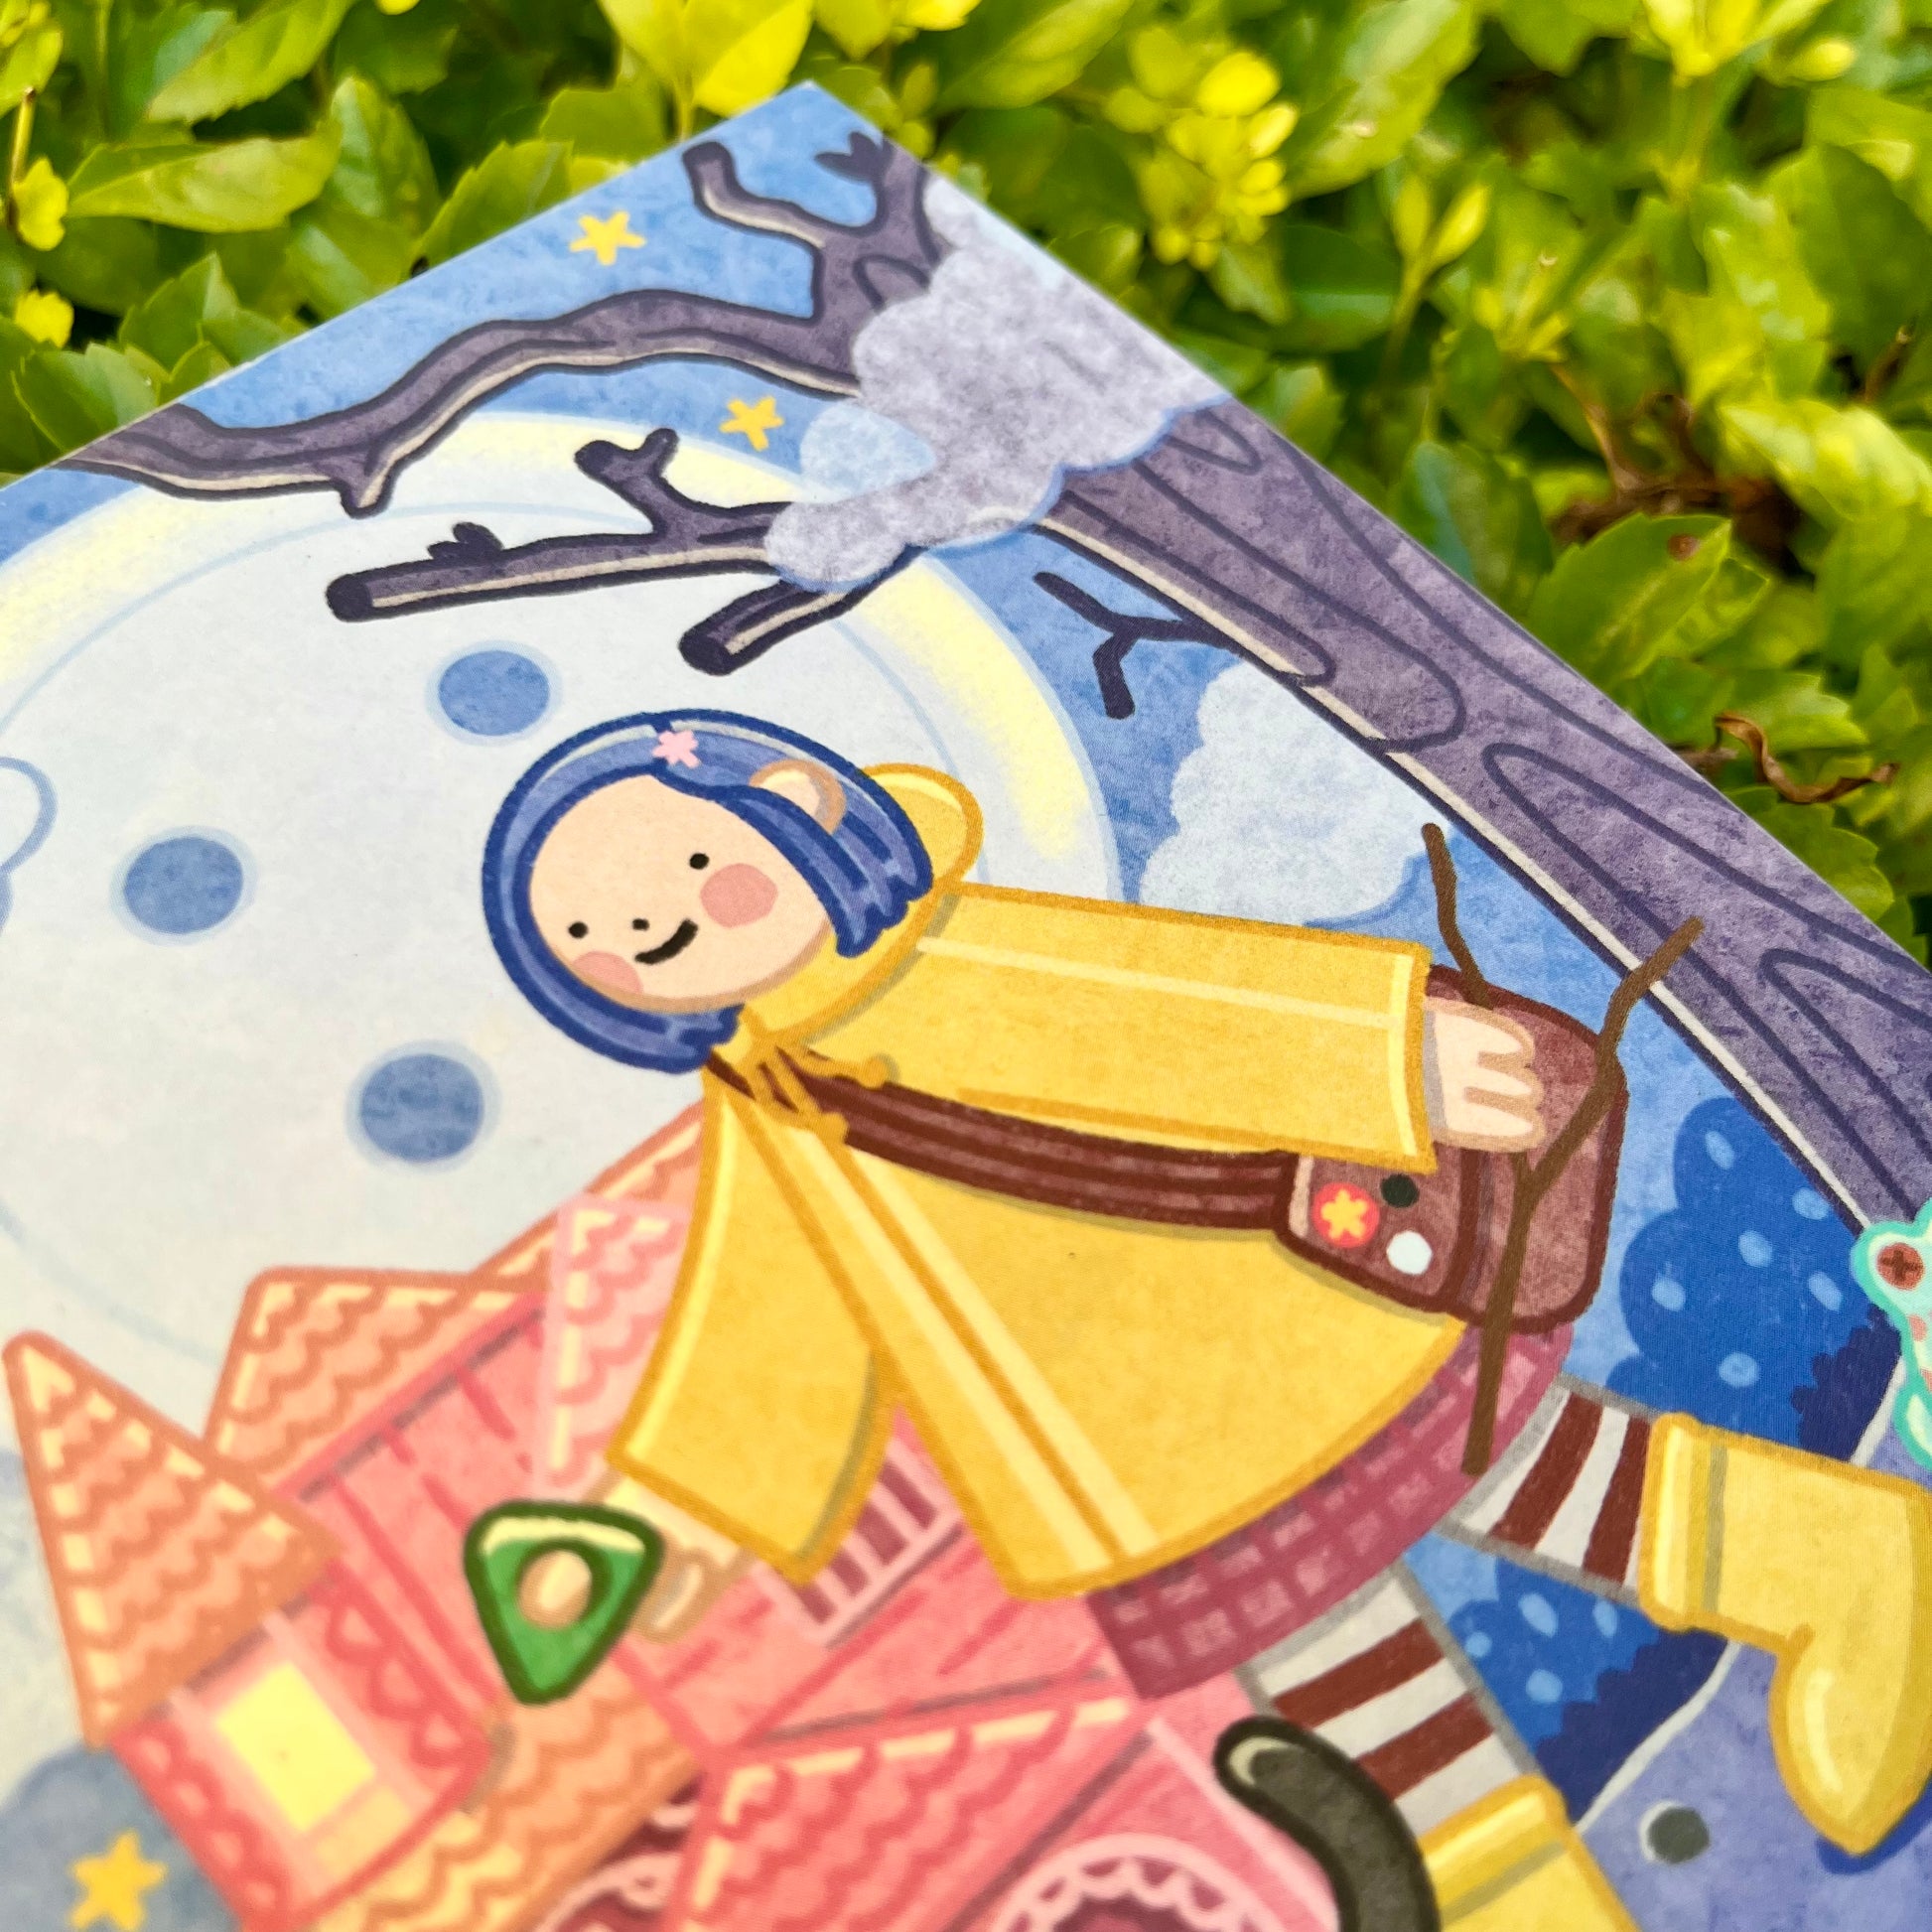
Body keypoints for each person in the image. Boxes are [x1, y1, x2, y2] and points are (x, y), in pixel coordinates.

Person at [479, 708, 1932, 1926]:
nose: (649, 926)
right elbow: (774, 1318)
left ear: (799, 807)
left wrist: (1395, 1057)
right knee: (1360, 1707)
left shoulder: (951, 962)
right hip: (1121, 1467)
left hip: (1280, 1332)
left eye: (689, 865)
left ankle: (1827, 1552)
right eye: (593, 933)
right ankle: (1525, 1901)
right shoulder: (767, 1094)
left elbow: (1172, 1012)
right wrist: (687, 1513)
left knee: (1541, 1480)